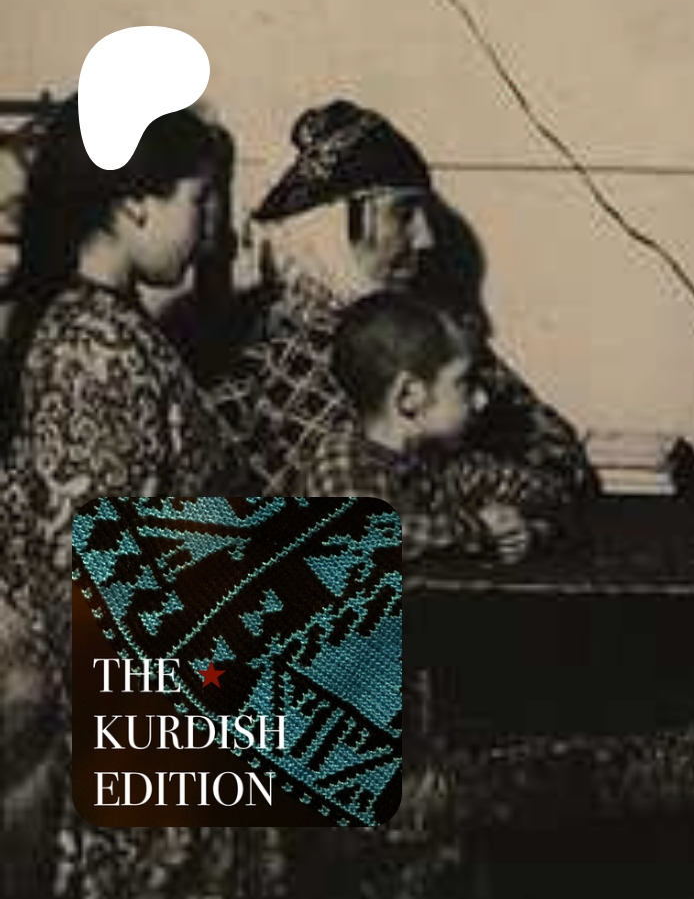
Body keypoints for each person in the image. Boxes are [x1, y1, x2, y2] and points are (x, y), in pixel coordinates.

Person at [0, 96, 279, 897]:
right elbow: (87, 575)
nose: (215, 230)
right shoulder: (94, 349)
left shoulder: (95, 328)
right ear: (134, 203)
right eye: (201, 200)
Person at [203, 99, 595, 514]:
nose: (425, 239)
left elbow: (560, 455)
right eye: (404, 213)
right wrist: (481, 517)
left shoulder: (428, 332)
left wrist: (518, 522)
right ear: (336, 224)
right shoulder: (269, 358)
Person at [298, 290, 540, 564]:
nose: (481, 399)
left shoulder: (436, 459)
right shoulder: (339, 457)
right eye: (464, 382)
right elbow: (363, 537)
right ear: (409, 396)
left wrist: (520, 529)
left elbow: (538, 490)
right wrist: (478, 528)